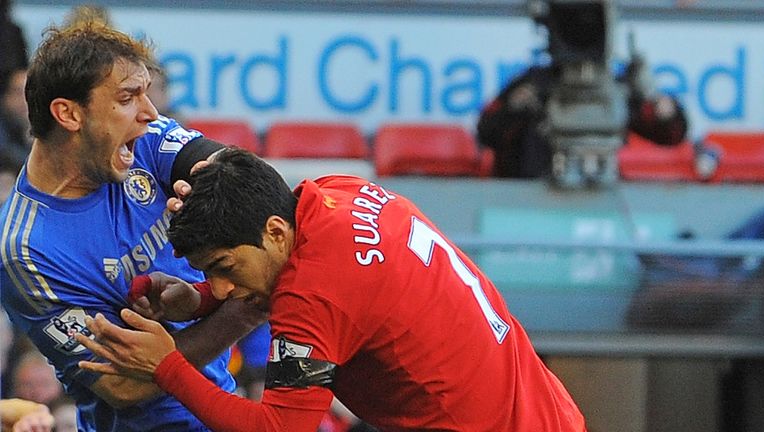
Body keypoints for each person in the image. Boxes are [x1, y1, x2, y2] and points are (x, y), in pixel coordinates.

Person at [76, 147, 586, 431]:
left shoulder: (313, 296)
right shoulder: (336, 192)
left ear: (275, 230)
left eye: (224, 267)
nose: (223, 285)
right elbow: (339, 290)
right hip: (549, 410)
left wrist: (165, 366)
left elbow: (279, 431)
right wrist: (199, 298)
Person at [0, 20, 265, 431]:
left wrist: (219, 199)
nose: (150, 113)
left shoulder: (144, 139)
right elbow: (122, 385)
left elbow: (240, 181)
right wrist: (242, 314)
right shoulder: (26, 249)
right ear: (68, 113)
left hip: (218, 407)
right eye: (127, 98)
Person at [477, 2, 688, 179]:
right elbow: (485, 131)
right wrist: (514, 108)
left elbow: (673, 134)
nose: (580, 34)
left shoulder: (614, 90)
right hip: (533, 193)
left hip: (601, 194)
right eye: (571, 27)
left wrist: (663, 110)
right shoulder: (534, 83)